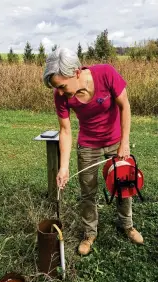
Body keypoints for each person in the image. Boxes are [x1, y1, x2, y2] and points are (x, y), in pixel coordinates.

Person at [43, 48, 143, 255]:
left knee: (123, 183)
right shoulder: (60, 95)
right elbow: (65, 130)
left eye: (61, 86)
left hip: (115, 141)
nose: (60, 92)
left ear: (76, 73)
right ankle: (89, 233)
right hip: (88, 145)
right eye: (56, 88)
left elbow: (125, 106)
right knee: (88, 192)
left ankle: (127, 225)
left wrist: (124, 142)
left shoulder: (106, 73)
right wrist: (63, 167)